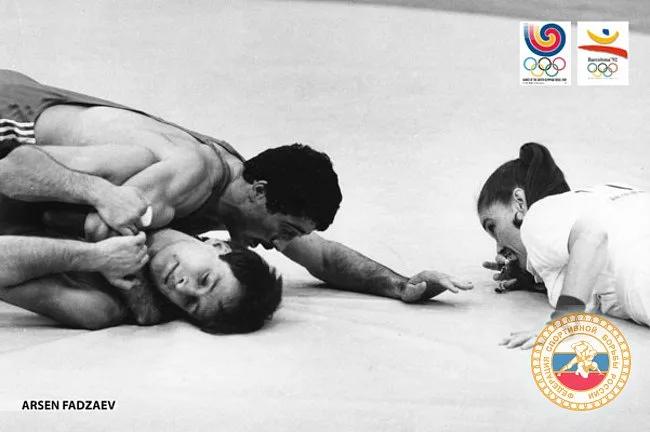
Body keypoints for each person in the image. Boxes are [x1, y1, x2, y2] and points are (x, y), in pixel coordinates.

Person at [0, 69, 472, 305]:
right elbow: (99, 229)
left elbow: (323, 257)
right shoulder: (193, 172)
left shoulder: (244, 192)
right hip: (11, 122)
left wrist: (401, 284)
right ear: (259, 192)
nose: (278, 244)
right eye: (285, 230)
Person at [477, 142, 650, 349]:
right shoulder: (604, 193)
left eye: (492, 227)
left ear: (520, 202)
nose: (498, 248)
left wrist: (563, 321)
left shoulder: (536, 217)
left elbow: (592, 237)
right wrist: (533, 278)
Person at [0, 222, 282, 333]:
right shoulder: (173, 199)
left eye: (190, 304)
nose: (183, 287)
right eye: (205, 279)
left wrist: (94, 257)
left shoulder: (100, 306)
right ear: (218, 246)